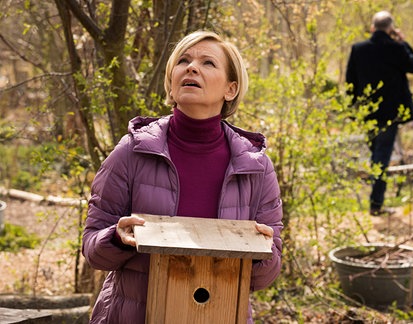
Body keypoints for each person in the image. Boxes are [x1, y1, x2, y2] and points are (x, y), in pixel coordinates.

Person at [82, 30, 283, 324]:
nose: (191, 68)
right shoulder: (131, 152)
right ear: (172, 83)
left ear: (231, 89)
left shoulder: (255, 167)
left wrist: (260, 253)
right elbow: (93, 251)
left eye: (208, 63)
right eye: (184, 60)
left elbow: (266, 275)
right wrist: (116, 237)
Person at [345, 10, 413, 216]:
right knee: (380, 158)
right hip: (390, 115)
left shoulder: (358, 49)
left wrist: (353, 111)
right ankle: (376, 204)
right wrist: (403, 42)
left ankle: (376, 202)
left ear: (372, 28)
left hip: (367, 114)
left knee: (377, 156)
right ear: (390, 29)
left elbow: (350, 81)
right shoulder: (396, 48)